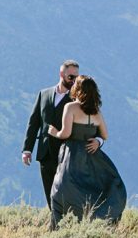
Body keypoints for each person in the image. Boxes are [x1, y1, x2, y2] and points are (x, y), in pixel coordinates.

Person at [46, 75, 127, 228]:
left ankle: (60, 228)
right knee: (90, 192)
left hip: (72, 155)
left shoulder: (70, 107)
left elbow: (66, 133)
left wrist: (53, 132)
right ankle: (93, 223)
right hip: (92, 157)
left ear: (78, 89)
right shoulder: (96, 112)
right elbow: (105, 135)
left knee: (61, 191)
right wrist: (98, 141)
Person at [21, 60, 101, 208]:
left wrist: (98, 140)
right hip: (45, 154)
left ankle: (65, 224)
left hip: (67, 155)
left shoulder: (78, 101)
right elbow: (34, 123)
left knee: (65, 195)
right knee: (49, 194)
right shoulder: (43, 94)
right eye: (71, 77)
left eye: (77, 78)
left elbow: (93, 125)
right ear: (61, 74)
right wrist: (27, 150)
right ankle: (54, 225)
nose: (74, 81)